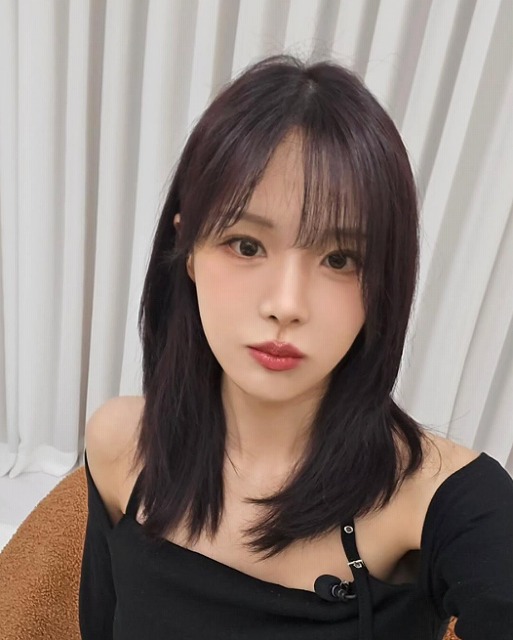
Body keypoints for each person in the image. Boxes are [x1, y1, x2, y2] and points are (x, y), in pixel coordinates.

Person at [79, 54, 513, 639]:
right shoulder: (121, 445)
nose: (286, 304)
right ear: (188, 248)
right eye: (246, 245)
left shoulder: (439, 498)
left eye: (339, 259)